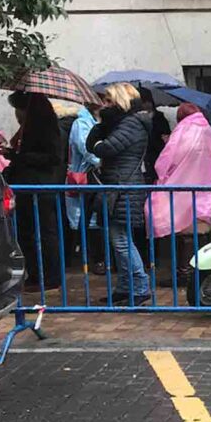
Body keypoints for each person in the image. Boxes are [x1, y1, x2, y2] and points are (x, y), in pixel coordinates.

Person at [86, 83, 152, 305]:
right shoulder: (122, 123)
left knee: (122, 241)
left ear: (120, 101)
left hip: (123, 188)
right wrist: (101, 129)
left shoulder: (131, 124)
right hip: (118, 186)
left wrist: (99, 134)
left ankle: (140, 286)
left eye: (108, 101)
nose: (104, 105)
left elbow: (106, 149)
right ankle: (125, 287)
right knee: (119, 240)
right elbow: (94, 145)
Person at [0, 92, 65, 291]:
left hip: (40, 186)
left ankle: (50, 276)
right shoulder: (28, 129)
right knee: (27, 232)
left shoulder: (47, 129)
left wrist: (22, 157)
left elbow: (52, 157)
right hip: (28, 185)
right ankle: (36, 273)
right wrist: (13, 155)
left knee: (45, 233)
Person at [148, 103, 211, 287]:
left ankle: (183, 272)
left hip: (181, 185)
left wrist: (161, 174)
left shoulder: (184, 129)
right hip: (202, 183)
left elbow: (170, 157)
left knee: (182, 228)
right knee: (197, 227)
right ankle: (198, 271)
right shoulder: (206, 129)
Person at [64, 104, 101, 269]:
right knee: (84, 217)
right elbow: (86, 148)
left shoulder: (94, 121)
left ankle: (92, 257)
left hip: (93, 176)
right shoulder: (82, 123)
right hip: (84, 176)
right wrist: (102, 161)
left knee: (90, 216)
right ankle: (88, 258)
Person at [138, 89, 171, 184]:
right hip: (142, 155)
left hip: (156, 155)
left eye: (146, 102)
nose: (145, 105)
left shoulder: (160, 117)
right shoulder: (136, 119)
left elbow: (166, 134)